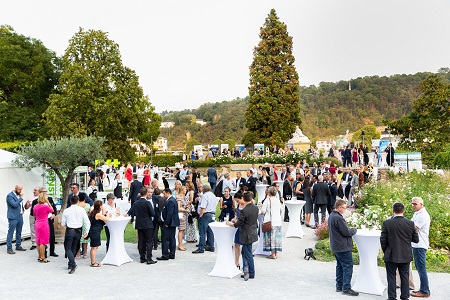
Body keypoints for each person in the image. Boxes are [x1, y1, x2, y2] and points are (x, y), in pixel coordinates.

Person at [380, 202, 419, 300]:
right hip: (405, 254)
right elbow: (416, 239)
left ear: (393, 211)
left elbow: (383, 240)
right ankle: (405, 297)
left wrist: (386, 251)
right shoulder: (410, 223)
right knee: (405, 276)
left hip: (391, 253)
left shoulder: (387, 223)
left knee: (391, 276)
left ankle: (392, 297)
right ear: (403, 211)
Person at [328, 199, 358, 296]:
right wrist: (354, 230)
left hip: (336, 245)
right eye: (344, 208)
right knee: (347, 266)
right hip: (342, 246)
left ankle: (339, 286)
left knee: (340, 266)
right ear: (339, 207)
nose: (345, 210)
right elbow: (346, 232)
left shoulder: (332, 216)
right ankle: (346, 288)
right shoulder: (338, 218)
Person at [226, 192, 259, 281]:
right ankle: (246, 270)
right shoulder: (255, 208)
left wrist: (230, 224)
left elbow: (239, 224)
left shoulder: (244, 210)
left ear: (244, 199)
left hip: (246, 234)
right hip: (252, 233)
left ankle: (250, 272)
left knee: (247, 253)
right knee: (245, 252)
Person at [127, 186, 157, 265]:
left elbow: (131, 210)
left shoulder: (136, 202)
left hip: (139, 224)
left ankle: (142, 257)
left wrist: (127, 214)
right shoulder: (147, 202)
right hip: (148, 224)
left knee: (141, 241)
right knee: (149, 241)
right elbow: (152, 213)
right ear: (146, 193)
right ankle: (149, 258)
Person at [62, 195, 91, 274]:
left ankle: (72, 263)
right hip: (78, 230)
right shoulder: (82, 210)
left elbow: (63, 223)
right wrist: (87, 231)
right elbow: (86, 221)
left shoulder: (66, 210)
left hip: (70, 229)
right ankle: (71, 263)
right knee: (74, 247)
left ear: (71, 201)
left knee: (68, 248)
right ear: (78, 201)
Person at [410, 197, 431, 298]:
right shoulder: (417, 213)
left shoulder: (423, 215)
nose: (413, 205)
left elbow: (414, 228)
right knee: (419, 268)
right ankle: (423, 289)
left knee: (421, 268)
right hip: (416, 244)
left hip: (420, 245)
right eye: (412, 204)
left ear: (421, 204)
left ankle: (425, 291)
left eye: (415, 204)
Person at [192, 184, 219, 254]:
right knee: (210, 231)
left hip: (205, 214)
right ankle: (211, 246)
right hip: (212, 214)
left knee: (202, 232)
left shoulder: (204, 196)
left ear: (204, 189)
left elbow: (203, 207)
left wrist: (200, 215)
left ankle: (201, 247)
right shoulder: (213, 195)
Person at [260, 186, 283, 259]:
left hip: (269, 220)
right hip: (277, 220)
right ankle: (276, 252)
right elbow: (281, 210)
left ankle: (272, 254)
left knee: (270, 237)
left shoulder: (267, 200)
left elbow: (263, 211)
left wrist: (260, 207)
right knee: (276, 237)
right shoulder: (278, 200)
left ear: (269, 192)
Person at [157, 188, 180, 260]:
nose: (164, 195)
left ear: (168, 193)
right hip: (173, 223)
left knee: (165, 239)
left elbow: (170, 213)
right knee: (172, 238)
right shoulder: (172, 200)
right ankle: (172, 254)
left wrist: (166, 222)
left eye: (164, 194)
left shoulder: (170, 201)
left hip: (169, 223)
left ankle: (165, 255)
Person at [33, 192, 54, 263]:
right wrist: (48, 203)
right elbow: (52, 210)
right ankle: (43, 257)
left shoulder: (35, 206)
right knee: (43, 241)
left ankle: (39, 256)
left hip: (37, 223)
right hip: (44, 224)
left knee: (38, 241)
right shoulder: (45, 206)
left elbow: (34, 215)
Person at [88, 200, 110, 267]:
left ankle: (93, 261)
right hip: (95, 232)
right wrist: (107, 213)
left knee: (94, 247)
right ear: (100, 206)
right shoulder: (98, 214)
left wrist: (103, 211)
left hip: (93, 231)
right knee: (94, 247)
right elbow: (107, 219)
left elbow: (103, 217)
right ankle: (93, 263)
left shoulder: (93, 213)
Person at [6, 185, 26, 254]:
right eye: (19, 190)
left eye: (21, 190)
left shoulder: (18, 195)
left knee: (19, 232)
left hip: (20, 216)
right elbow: (14, 204)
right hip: (13, 217)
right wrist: (20, 198)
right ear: (15, 189)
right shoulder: (10, 196)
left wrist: (23, 209)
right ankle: (9, 248)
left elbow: (20, 204)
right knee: (10, 232)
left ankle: (18, 245)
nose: (20, 191)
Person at [77, 194, 91, 259]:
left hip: (78, 222)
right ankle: (85, 253)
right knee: (85, 239)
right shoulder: (87, 205)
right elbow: (90, 213)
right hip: (85, 223)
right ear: (85, 198)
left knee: (78, 239)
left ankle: (78, 254)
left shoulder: (77, 206)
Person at [27, 186, 40, 250]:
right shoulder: (31, 197)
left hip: (39, 216)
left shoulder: (41, 197)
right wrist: (27, 204)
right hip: (32, 215)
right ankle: (34, 243)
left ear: (39, 191)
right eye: (33, 190)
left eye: (35, 190)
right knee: (33, 229)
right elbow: (26, 207)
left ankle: (41, 243)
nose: (34, 191)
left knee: (40, 229)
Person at [176, 186, 189, 251]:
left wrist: (186, 206)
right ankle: (180, 244)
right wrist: (185, 210)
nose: (185, 190)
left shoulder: (184, 197)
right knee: (181, 230)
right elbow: (178, 208)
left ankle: (180, 243)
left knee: (183, 229)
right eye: (185, 189)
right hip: (180, 215)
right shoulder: (179, 197)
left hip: (184, 215)